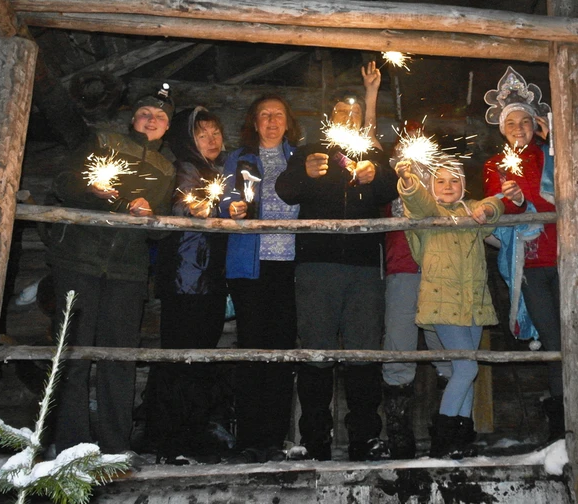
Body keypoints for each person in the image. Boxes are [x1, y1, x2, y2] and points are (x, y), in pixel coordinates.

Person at [274, 63, 398, 462]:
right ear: (331, 119)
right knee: (316, 353)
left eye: (356, 113)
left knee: (363, 355)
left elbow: (391, 186)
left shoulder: (371, 155)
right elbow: (286, 190)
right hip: (316, 268)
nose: (349, 118)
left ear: (363, 121)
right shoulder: (310, 153)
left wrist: (374, 171)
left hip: (365, 271)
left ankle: (364, 439)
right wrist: (307, 174)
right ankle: (315, 440)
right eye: (343, 113)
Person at [46, 85, 176, 457]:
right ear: (133, 118)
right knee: (72, 354)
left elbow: (160, 227)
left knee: (118, 359)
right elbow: (64, 182)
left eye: (160, 116)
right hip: (79, 260)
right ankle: (71, 446)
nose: (152, 119)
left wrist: (150, 217)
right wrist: (93, 190)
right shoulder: (103, 141)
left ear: (166, 128)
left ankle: (115, 447)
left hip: (128, 271)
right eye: (145, 112)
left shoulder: (166, 168)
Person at [394, 160, 506, 458]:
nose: (447, 186)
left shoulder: (471, 209)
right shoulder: (430, 213)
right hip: (442, 303)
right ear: (431, 186)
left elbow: (495, 204)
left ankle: (461, 438)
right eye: (440, 181)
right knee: (467, 367)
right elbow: (416, 201)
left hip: (473, 303)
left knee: (465, 369)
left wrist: (487, 209)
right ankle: (442, 440)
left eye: (454, 181)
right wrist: (408, 180)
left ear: (464, 185)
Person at [482, 66, 566, 441]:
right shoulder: (494, 166)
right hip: (530, 263)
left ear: (536, 124)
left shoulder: (555, 153)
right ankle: (564, 416)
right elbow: (501, 211)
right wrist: (512, 201)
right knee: (554, 339)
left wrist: (557, 142)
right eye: (511, 122)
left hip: (568, 258)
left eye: (525, 121)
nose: (519, 127)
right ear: (502, 128)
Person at [219, 94, 302, 463]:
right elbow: (220, 198)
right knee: (253, 348)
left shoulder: (299, 158)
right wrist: (229, 207)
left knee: (282, 350)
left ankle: (275, 436)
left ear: (288, 122)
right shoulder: (237, 159)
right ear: (254, 122)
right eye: (264, 115)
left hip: (291, 265)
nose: (271, 121)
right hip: (250, 264)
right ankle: (249, 437)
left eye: (278, 115)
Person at [147, 106, 230, 463]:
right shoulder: (178, 168)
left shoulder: (221, 170)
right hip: (185, 278)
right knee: (181, 360)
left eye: (215, 133)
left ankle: (193, 434)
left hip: (210, 280)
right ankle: (170, 439)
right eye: (202, 135)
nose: (211, 140)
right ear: (187, 139)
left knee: (200, 360)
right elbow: (172, 206)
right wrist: (192, 209)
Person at [381, 125, 452, 460]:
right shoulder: (385, 177)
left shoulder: (443, 176)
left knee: (446, 347)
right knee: (398, 347)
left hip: (440, 270)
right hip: (402, 268)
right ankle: (398, 434)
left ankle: (449, 427)